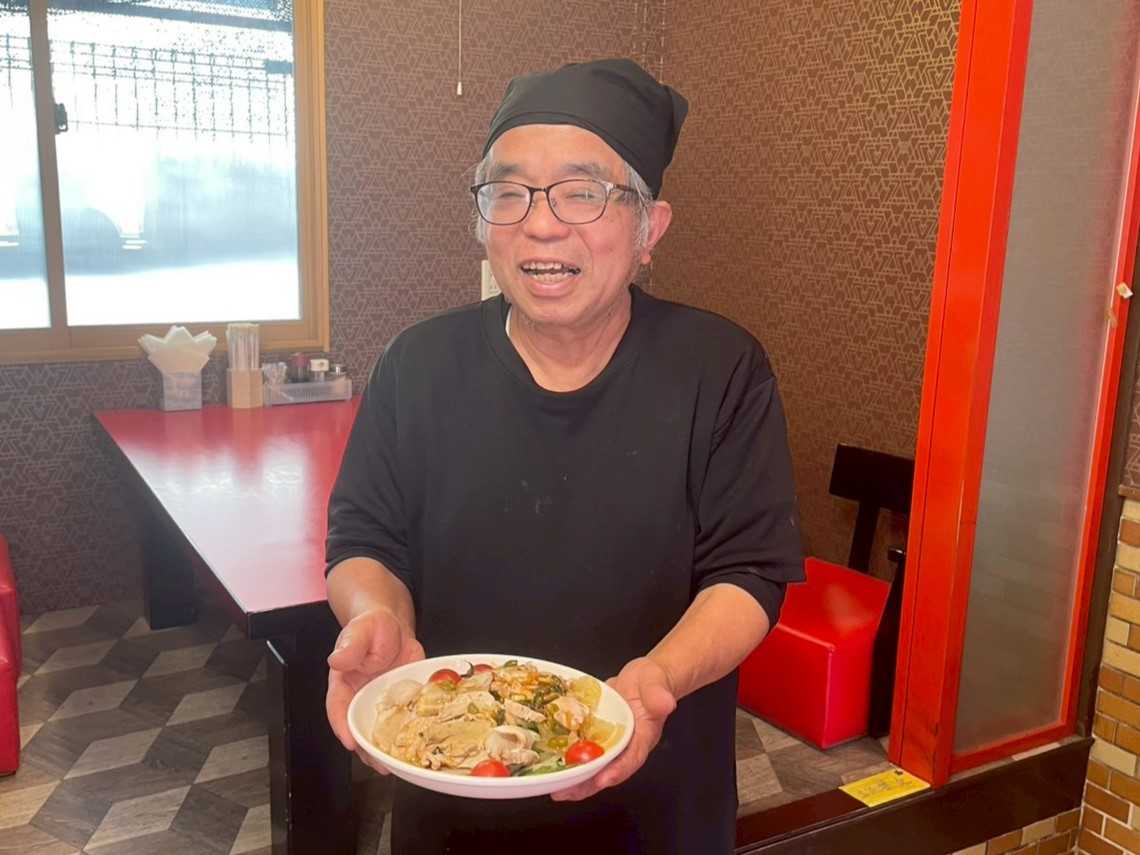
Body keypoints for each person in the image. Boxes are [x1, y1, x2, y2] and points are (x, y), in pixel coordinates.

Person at [324, 57, 804, 854]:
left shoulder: (720, 368)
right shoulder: (418, 364)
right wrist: (378, 617)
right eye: (509, 192)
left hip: (658, 799)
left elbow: (749, 572)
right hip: (454, 786)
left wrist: (657, 680)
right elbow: (364, 538)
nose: (541, 225)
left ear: (650, 229)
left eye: (582, 192)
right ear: (482, 220)